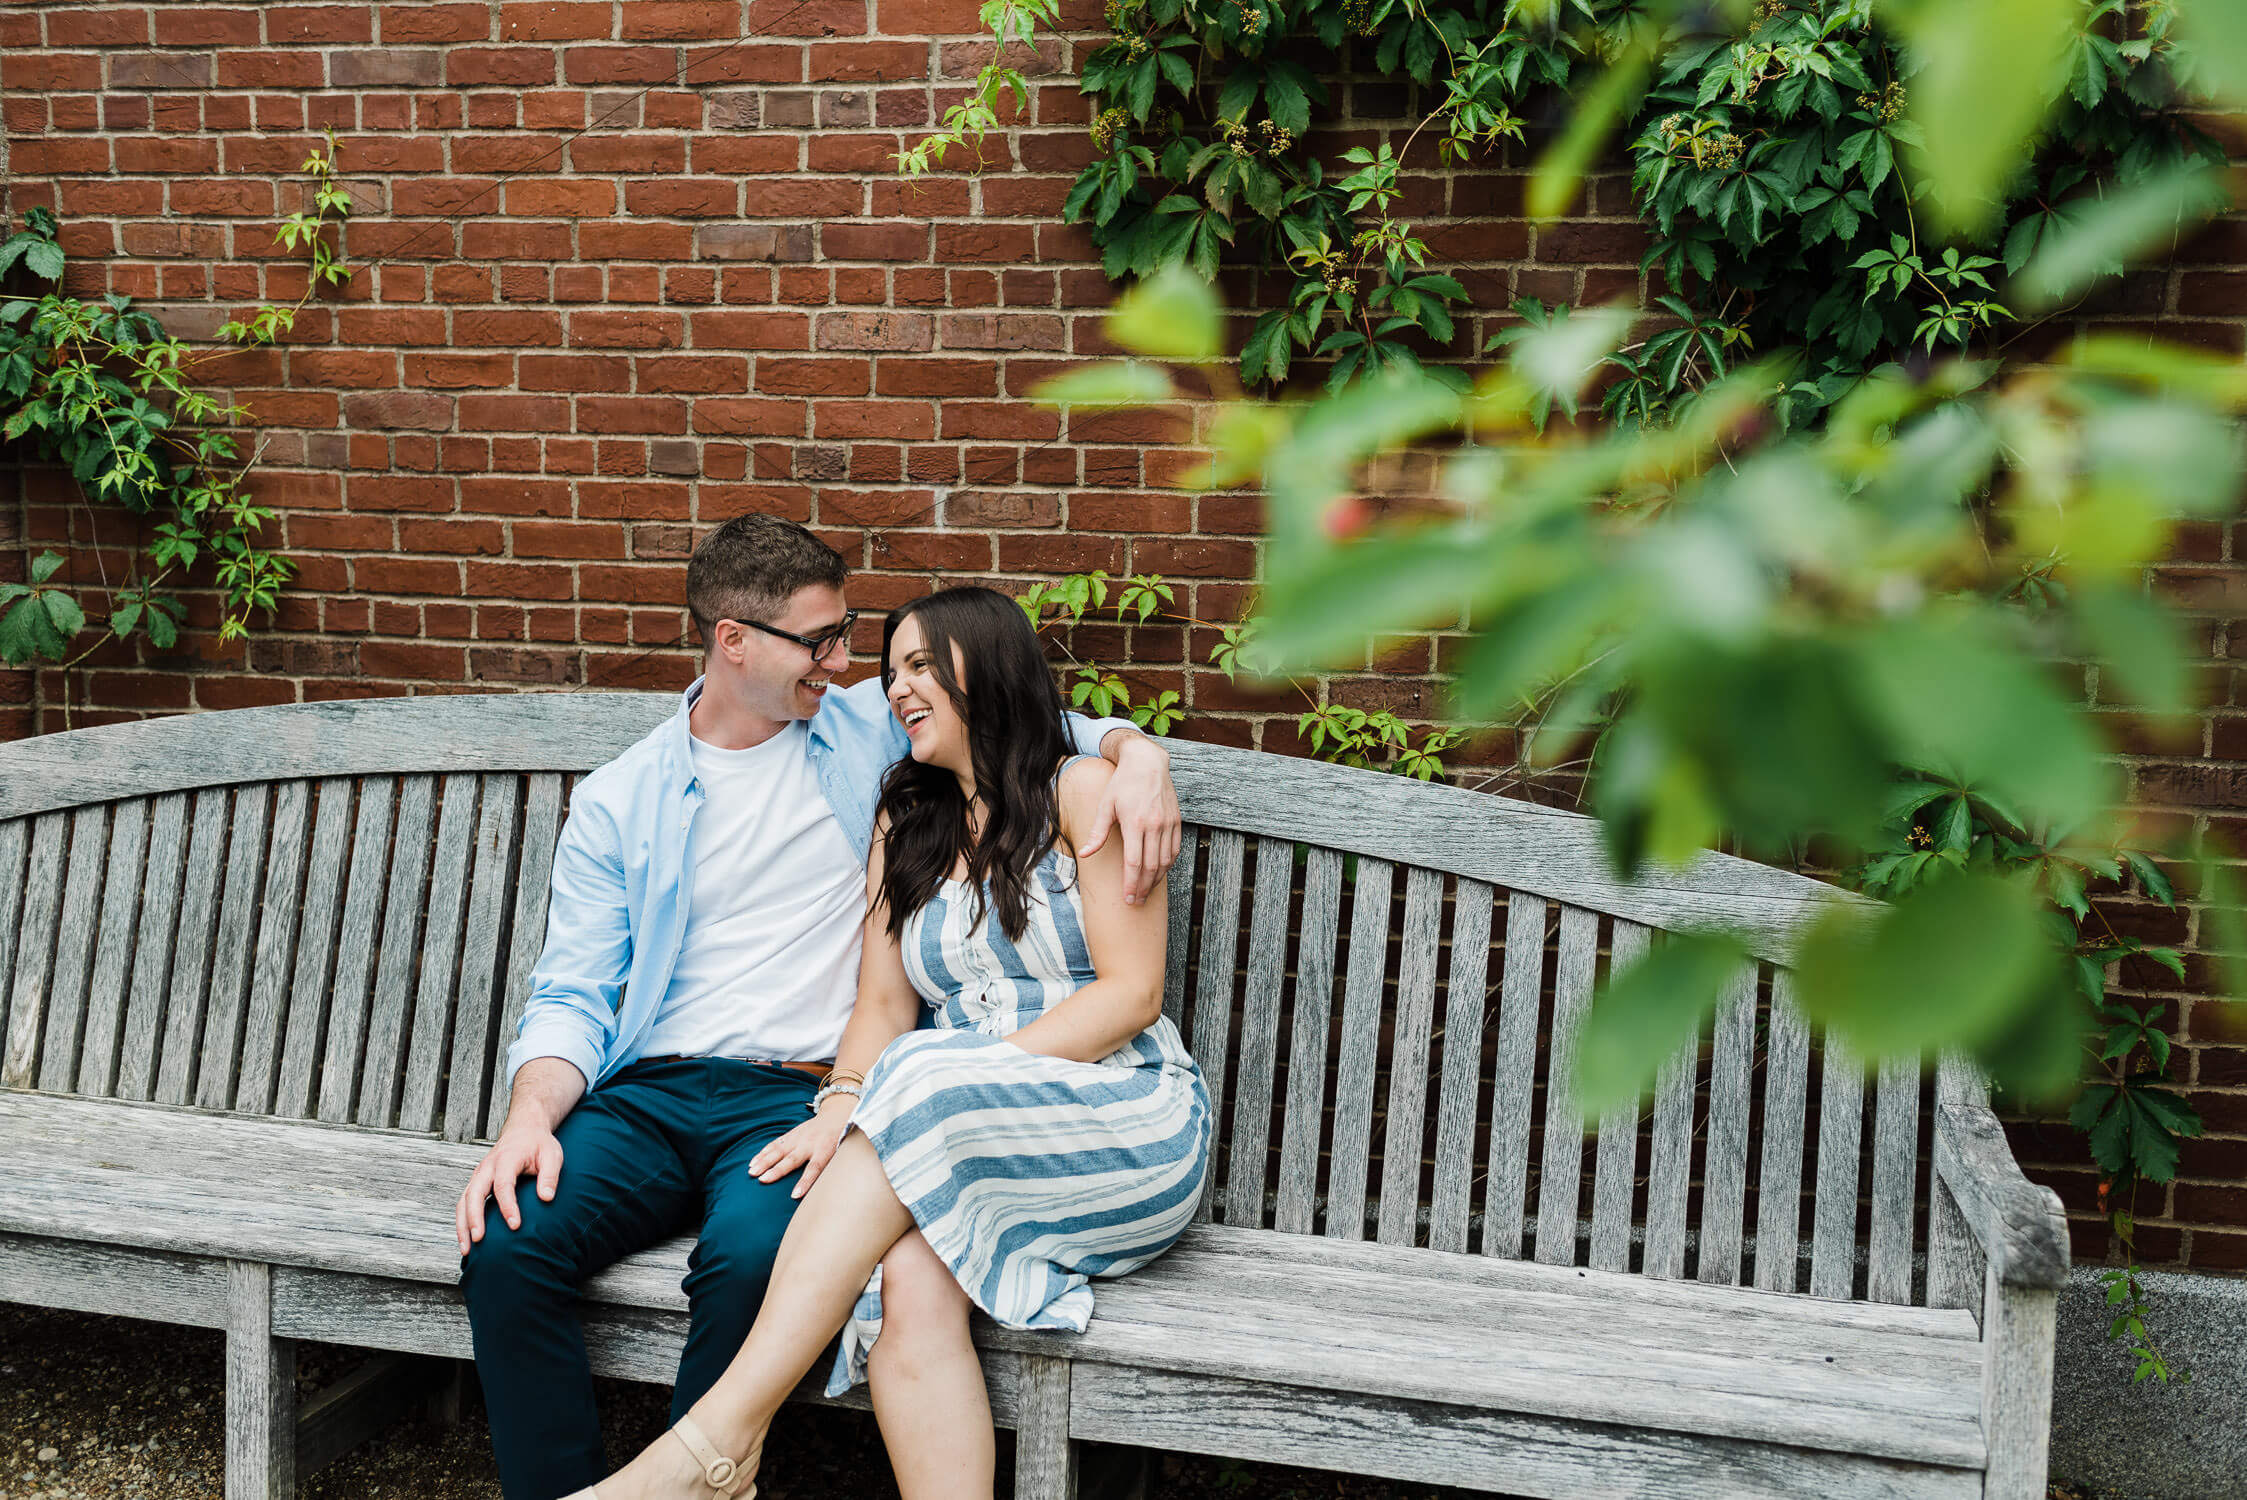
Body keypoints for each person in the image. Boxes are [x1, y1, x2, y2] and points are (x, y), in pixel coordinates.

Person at [454, 518, 1182, 1500]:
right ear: (733, 641)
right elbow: (573, 993)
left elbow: (1021, 717)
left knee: (751, 1254)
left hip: (800, 1099)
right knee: (507, 1243)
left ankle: (702, 1465)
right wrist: (527, 1122)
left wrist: (1139, 754)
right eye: (824, 642)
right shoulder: (623, 799)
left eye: (855, 641)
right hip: (650, 1098)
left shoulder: (868, 736)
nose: (852, 667)